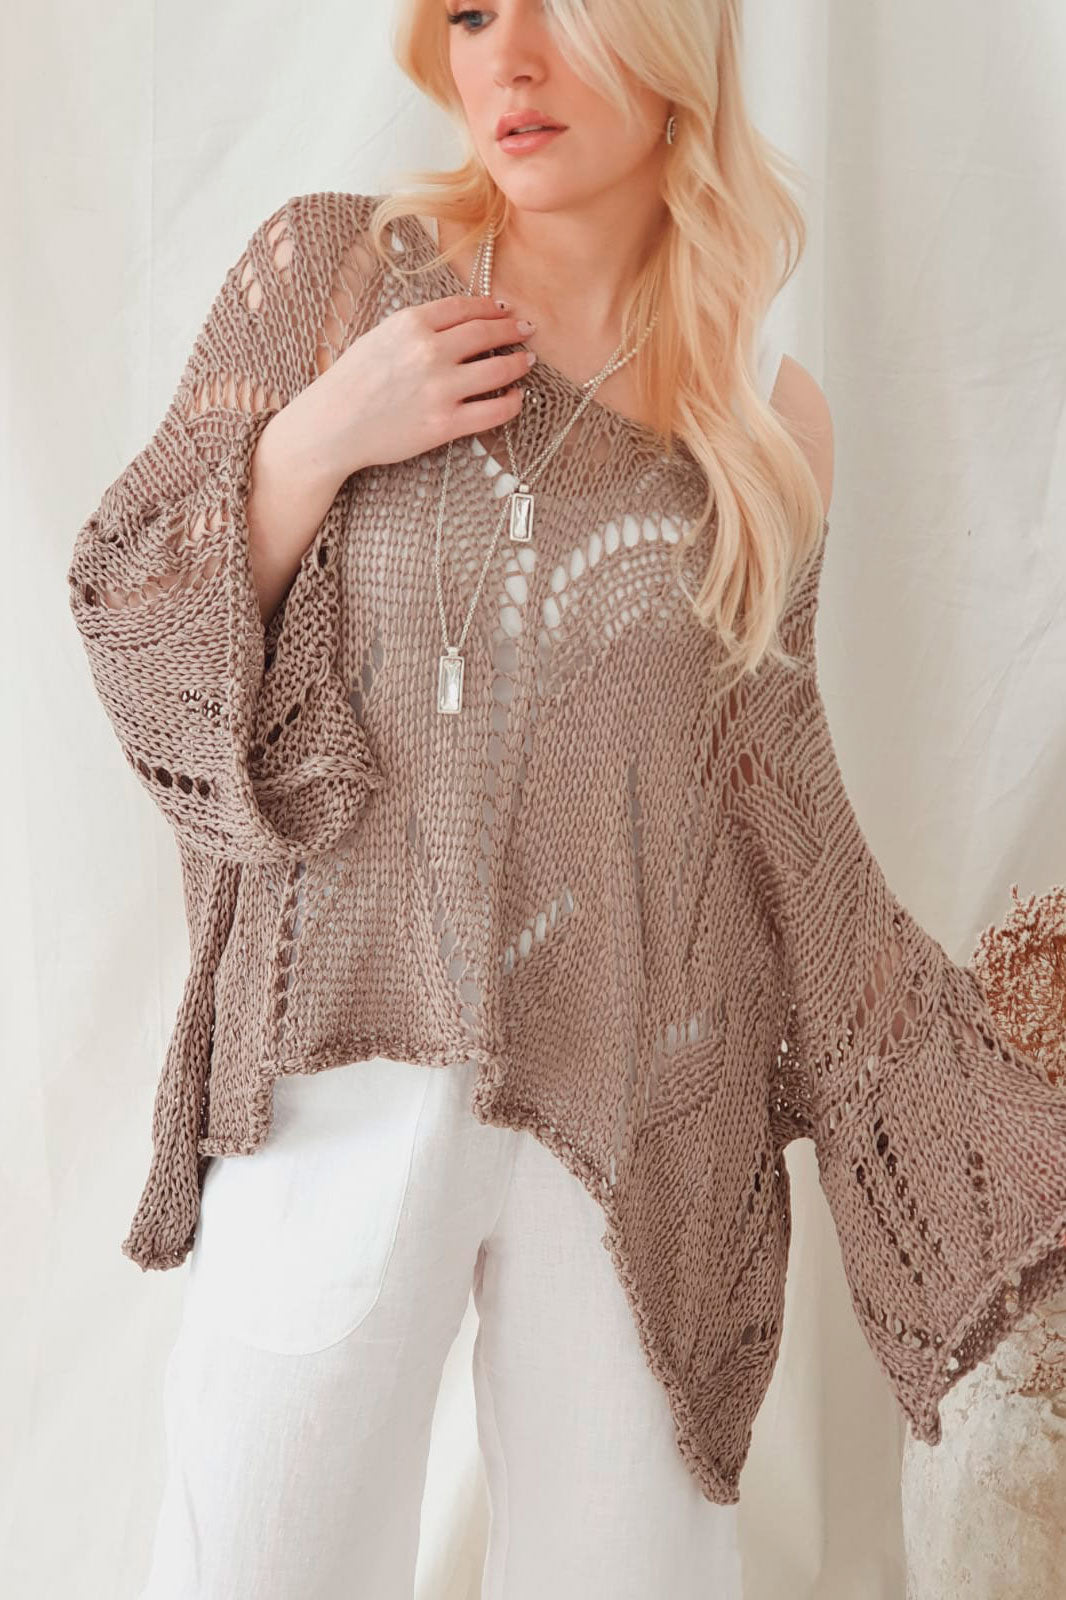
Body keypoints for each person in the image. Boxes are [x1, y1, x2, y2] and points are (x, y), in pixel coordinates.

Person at [65, 1, 1066, 1597]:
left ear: (669, 43)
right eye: (471, 14)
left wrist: (990, 1130)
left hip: (636, 1110)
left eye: (564, 10)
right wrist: (320, 439)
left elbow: (778, 813)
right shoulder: (338, 274)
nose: (508, 59)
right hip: (344, 1058)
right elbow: (130, 602)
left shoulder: (764, 418)